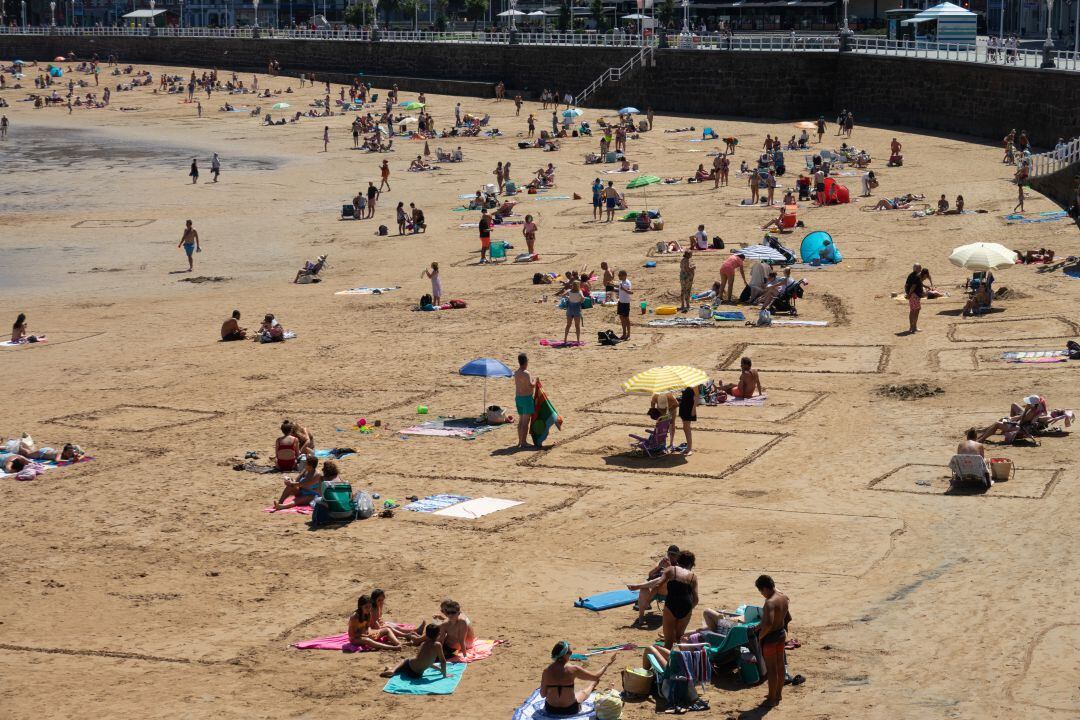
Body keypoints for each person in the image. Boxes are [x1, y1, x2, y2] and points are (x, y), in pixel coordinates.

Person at [628, 550, 698, 647]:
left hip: (671, 604)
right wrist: (688, 609)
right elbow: (696, 599)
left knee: (668, 641)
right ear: (691, 564)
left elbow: (657, 585)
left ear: (678, 560)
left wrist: (648, 600)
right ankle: (685, 660)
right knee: (680, 637)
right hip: (686, 605)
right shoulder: (693, 577)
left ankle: (667, 661)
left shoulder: (670, 570)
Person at [541, 641, 617, 717]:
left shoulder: (546, 671)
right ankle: (592, 686)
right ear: (564, 655)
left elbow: (543, 694)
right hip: (570, 709)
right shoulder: (573, 669)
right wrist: (608, 664)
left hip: (551, 709)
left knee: (576, 694)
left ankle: (592, 686)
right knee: (582, 693)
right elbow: (596, 676)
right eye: (570, 652)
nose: (571, 654)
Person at [755, 575, 790, 708]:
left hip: (770, 638)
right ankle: (778, 694)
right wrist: (761, 624)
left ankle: (771, 699)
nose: (762, 594)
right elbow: (779, 617)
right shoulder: (783, 597)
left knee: (771, 669)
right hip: (781, 634)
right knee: (780, 666)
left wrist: (761, 636)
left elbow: (769, 624)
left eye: (761, 591)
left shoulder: (769, 602)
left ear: (764, 588)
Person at [380, 623, 445, 679]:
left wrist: (440, 670)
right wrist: (443, 673)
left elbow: (420, 660)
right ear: (438, 634)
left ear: (426, 635)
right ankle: (391, 669)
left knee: (404, 660)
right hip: (417, 675)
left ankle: (392, 670)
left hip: (410, 668)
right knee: (405, 665)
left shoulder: (423, 644)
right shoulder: (438, 645)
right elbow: (441, 661)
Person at [514, 353, 536, 448]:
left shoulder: (516, 373)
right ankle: (523, 442)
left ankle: (520, 441)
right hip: (526, 399)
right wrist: (536, 381)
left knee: (521, 420)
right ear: (525, 362)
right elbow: (531, 385)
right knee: (525, 422)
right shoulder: (526, 373)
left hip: (519, 398)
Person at [678, 384, 698, 455]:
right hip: (683, 406)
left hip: (689, 407)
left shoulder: (694, 384)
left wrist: (694, 409)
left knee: (687, 428)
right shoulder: (685, 384)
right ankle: (688, 448)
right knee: (685, 427)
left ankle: (689, 448)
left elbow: (697, 397)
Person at [563, 280, 584, 345]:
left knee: (568, 325)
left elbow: (563, 295)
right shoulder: (579, 291)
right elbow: (583, 298)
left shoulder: (569, 291)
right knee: (577, 326)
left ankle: (565, 339)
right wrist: (579, 300)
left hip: (570, 309)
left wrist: (569, 298)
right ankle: (578, 340)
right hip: (577, 310)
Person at [904, 263, 923, 334]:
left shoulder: (910, 275)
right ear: (916, 269)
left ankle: (912, 327)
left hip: (912, 295)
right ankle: (913, 327)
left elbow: (906, 285)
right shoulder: (917, 276)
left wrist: (907, 293)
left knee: (913, 310)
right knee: (915, 310)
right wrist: (909, 294)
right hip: (914, 295)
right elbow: (913, 286)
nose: (921, 269)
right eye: (920, 268)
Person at [617, 270, 632, 341]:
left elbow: (630, 292)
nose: (618, 276)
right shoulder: (621, 282)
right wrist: (611, 285)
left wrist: (623, 289)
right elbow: (620, 288)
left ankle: (628, 335)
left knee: (626, 318)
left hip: (626, 303)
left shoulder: (627, 283)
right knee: (621, 318)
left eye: (620, 275)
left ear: (624, 275)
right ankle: (624, 334)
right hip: (621, 302)